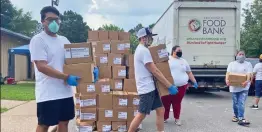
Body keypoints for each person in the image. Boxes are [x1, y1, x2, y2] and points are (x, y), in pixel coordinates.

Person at [30, 6, 99, 132]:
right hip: (48, 93)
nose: (54, 23)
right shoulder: (38, 40)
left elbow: (76, 61)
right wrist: (66, 77)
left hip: (65, 92)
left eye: (57, 20)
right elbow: (42, 66)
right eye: (50, 19)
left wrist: (92, 69)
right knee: (44, 124)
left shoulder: (64, 40)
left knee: (64, 123)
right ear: (42, 22)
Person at [128, 27, 178, 132]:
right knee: (141, 115)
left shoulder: (143, 50)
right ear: (143, 38)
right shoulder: (143, 51)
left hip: (151, 87)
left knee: (160, 110)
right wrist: (169, 85)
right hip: (146, 89)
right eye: (149, 37)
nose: (151, 39)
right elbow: (154, 70)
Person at [161, 45, 198, 125]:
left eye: (181, 50)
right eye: (178, 50)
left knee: (177, 103)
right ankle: (164, 117)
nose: (180, 52)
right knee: (165, 103)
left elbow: (189, 72)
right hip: (167, 86)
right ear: (173, 51)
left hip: (181, 86)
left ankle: (177, 118)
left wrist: (194, 81)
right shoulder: (167, 60)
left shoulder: (183, 61)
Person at [225, 51, 252, 126]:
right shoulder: (232, 64)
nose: (241, 56)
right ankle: (236, 115)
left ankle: (241, 118)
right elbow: (228, 73)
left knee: (241, 102)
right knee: (235, 103)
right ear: (236, 55)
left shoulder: (248, 64)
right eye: (240, 54)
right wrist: (227, 80)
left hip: (244, 87)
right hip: (234, 87)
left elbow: (249, 74)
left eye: (243, 54)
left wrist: (247, 81)